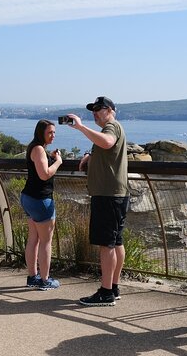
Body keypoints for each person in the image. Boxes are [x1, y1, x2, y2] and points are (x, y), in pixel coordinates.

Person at [66, 96, 128, 306]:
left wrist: (81, 128)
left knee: (106, 244)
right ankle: (114, 286)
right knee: (116, 242)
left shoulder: (111, 127)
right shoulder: (111, 128)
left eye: (99, 109)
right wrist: (89, 155)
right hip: (115, 193)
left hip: (108, 194)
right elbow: (105, 148)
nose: (95, 112)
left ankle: (106, 291)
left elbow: (108, 142)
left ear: (110, 110)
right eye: (93, 109)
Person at [20, 119, 62, 290]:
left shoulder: (35, 147)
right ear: (41, 133)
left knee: (33, 239)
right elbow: (44, 175)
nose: (53, 135)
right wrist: (58, 161)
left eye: (54, 132)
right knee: (46, 241)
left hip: (29, 197)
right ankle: (45, 280)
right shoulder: (38, 149)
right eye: (49, 133)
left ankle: (32, 277)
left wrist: (50, 157)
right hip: (40, 200)